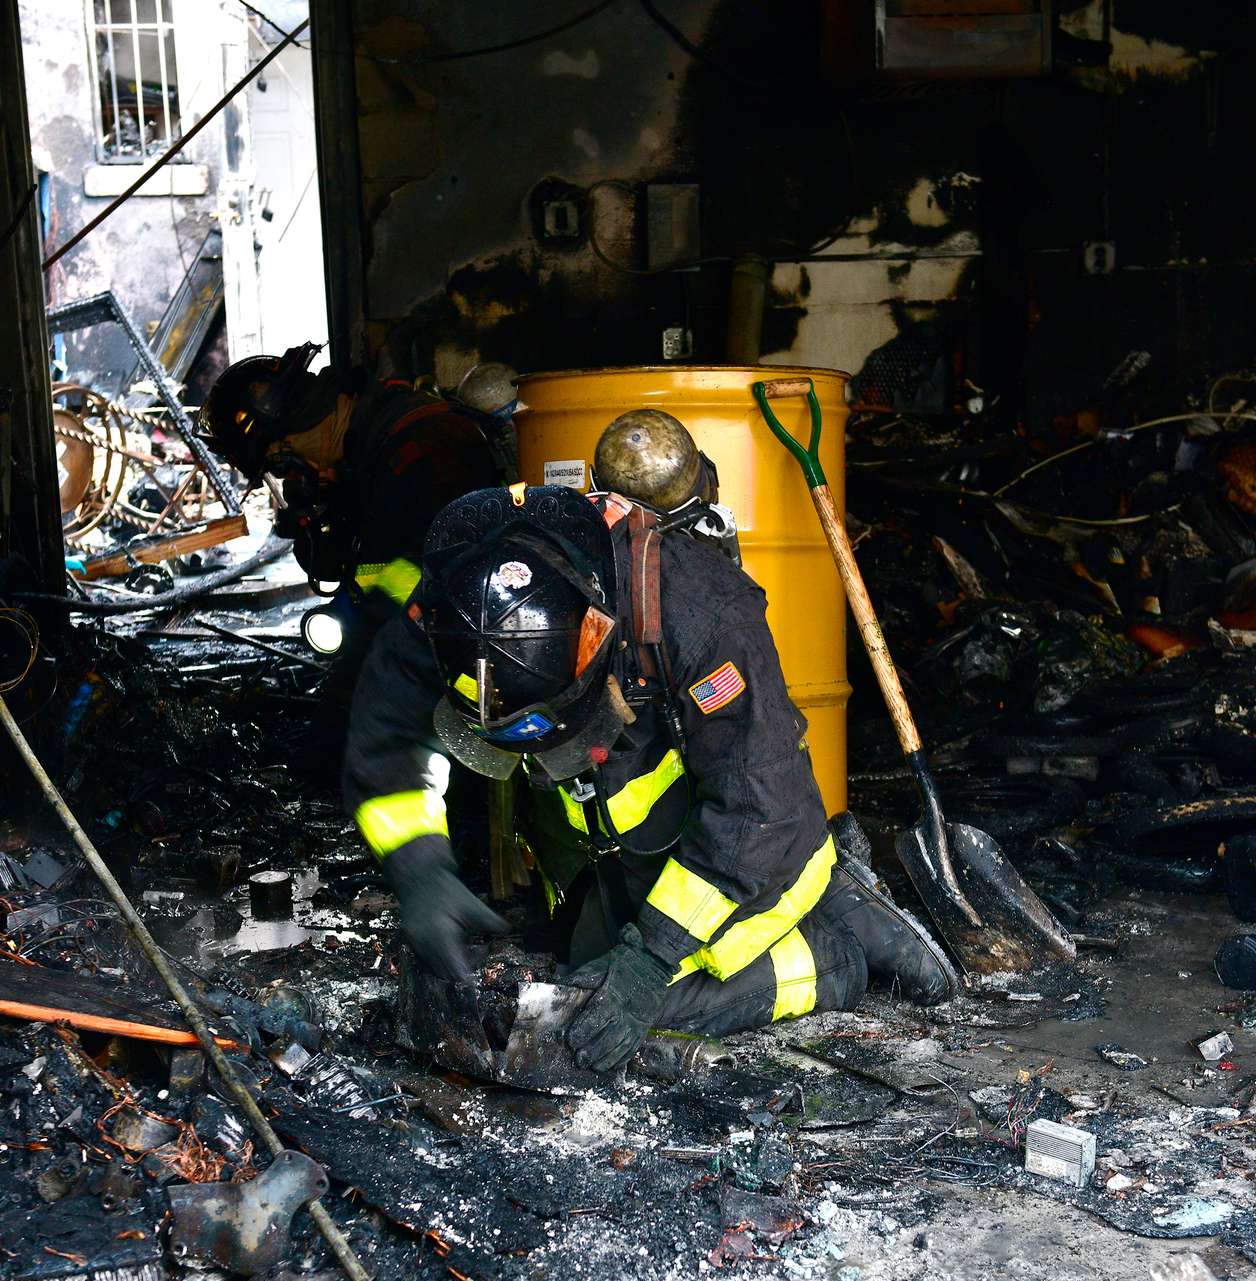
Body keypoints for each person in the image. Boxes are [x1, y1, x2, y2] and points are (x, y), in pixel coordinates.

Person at [343, 467, 957, 1074]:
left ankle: (834, 954)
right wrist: (419, 866)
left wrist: (650, 960)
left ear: (596, 640)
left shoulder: (698, 610)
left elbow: (759, 805)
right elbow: (387, 736)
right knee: (582, 992)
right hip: (609, 846)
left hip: (746, 846)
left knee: (636, 1008)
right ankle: (794, 910)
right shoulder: (447, 612)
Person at [198, 344, 501, 615]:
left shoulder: (422, 446)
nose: (293, 475)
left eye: (284, 462)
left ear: (298, 429)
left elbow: (444, 579)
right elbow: (339, 566)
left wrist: (361, 612)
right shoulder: (364, 449)